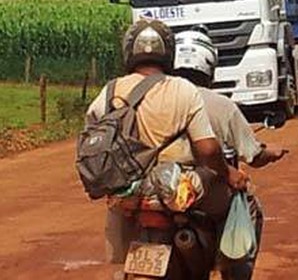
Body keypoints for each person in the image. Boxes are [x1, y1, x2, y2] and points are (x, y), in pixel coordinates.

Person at [85, 20, 248, 265]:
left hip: (125, 193)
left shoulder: (108, 92)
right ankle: (228, 267)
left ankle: (122, 266)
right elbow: (208, 149)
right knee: (239, 200)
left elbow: (90, 147)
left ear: (129, 52)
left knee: (117, 220)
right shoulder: (182, 89)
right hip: (177, 189)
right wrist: (227, 173)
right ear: (169, 53)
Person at [172, 26, 288, 280]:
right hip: (199, 190)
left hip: (159, 187)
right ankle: (235, 273)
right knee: (250, 205)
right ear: (208, 64)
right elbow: (254, 156)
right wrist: (273, 152)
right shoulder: (220, 105)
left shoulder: (158, 100)